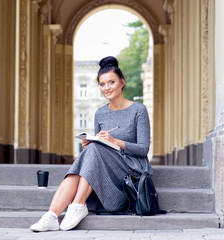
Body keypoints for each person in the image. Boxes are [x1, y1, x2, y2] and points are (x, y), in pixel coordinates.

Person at [30, 56, 152, 232]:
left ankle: (78, 205)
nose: (107, 88)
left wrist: (115, 141)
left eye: (111, 82)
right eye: (102, 84)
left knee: (94, 150)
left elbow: (143, 149)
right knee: (92, 149)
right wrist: (89, 144)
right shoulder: (100, 113)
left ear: (122, 82)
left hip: (130, 172)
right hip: (103, 170)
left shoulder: (138, 110)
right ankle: (52, 215)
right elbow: (97, 148)